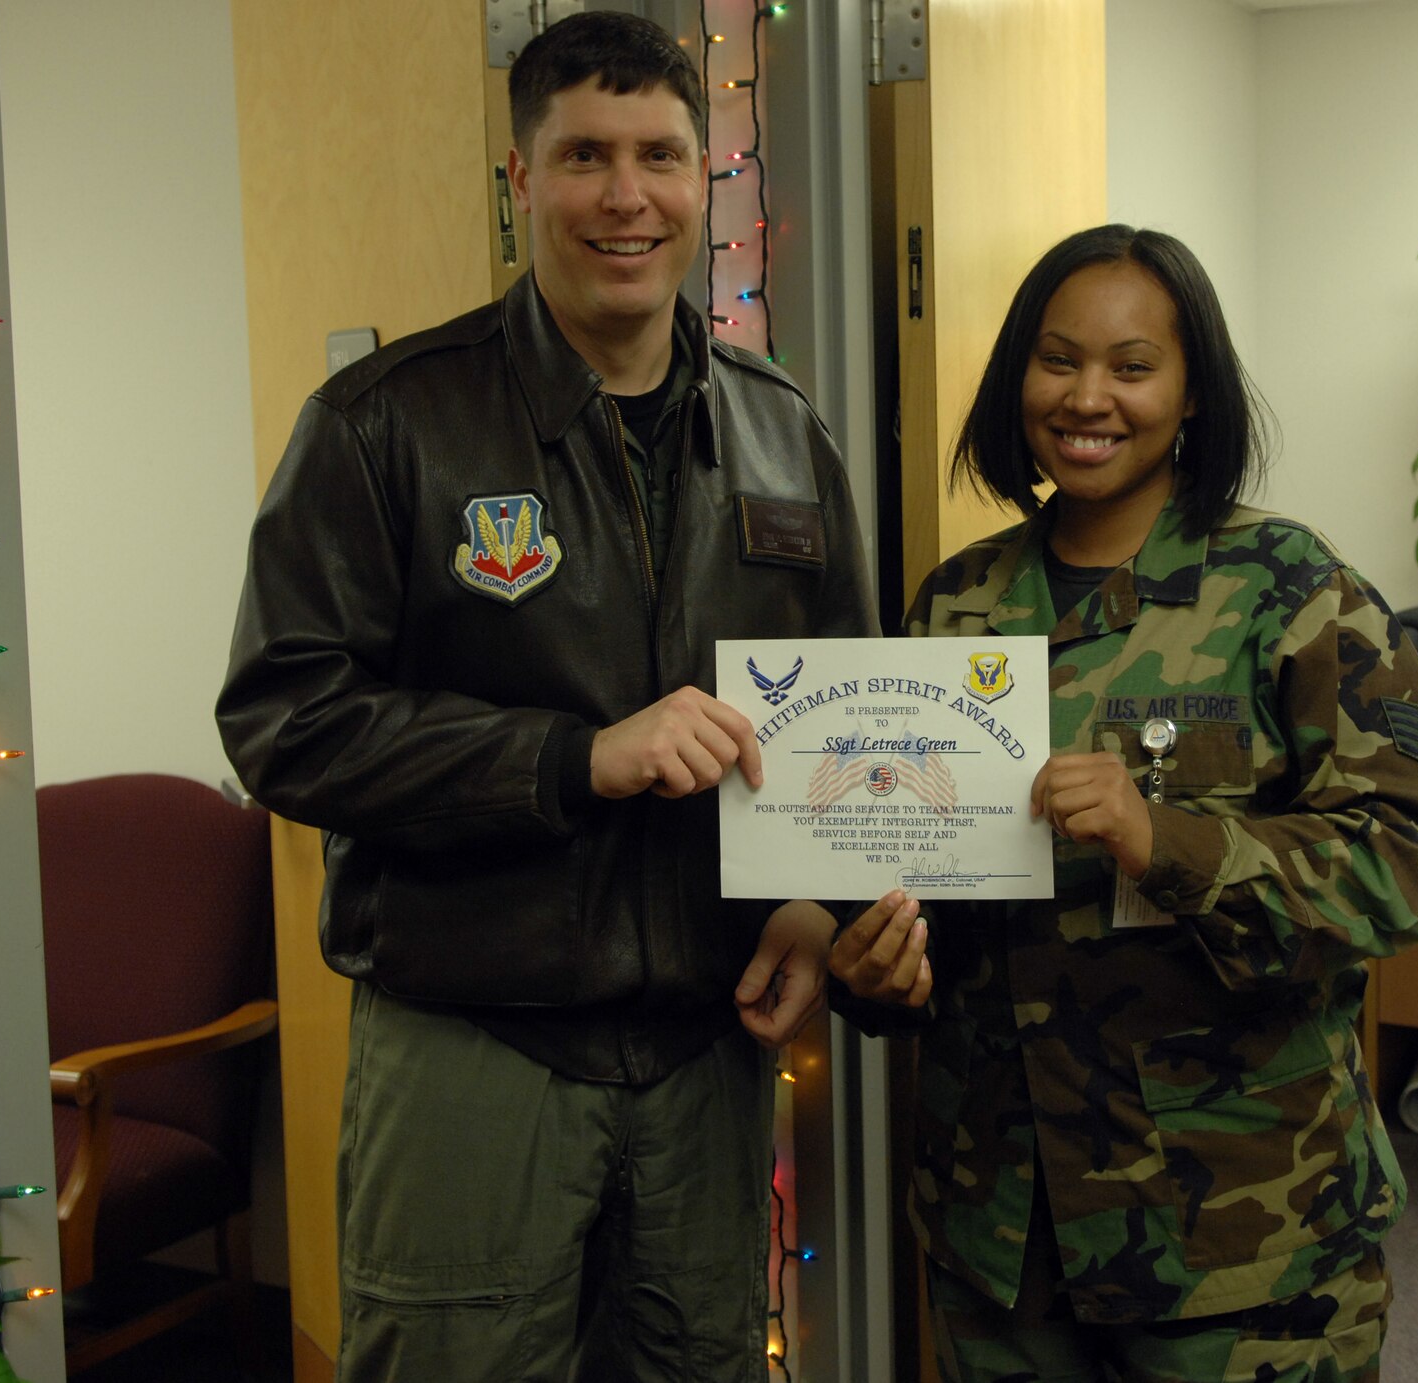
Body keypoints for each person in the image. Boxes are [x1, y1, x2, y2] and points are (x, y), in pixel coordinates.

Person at [215, 12, 873, 1380]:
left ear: (705, 177)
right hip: (474, 1046)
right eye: (584, 155)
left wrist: (819, 903)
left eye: (659, 155)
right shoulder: (384, 423)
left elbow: (843, 722)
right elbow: (284, 721)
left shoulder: (782, 430)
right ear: (520, 182)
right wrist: (572, 759)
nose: (625, 196)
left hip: (705, 1052)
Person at [831, 225, 1418, 1382]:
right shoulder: (956, 606)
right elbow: (904, 873)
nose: (1088, 397)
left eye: (1131, 367)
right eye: (1055, 359)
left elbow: (1413, 855)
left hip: (1238, 1241)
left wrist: (1163, 841)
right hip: (1001, 1231)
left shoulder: (1286, 588)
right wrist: (877, 967)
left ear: (1190, 394)